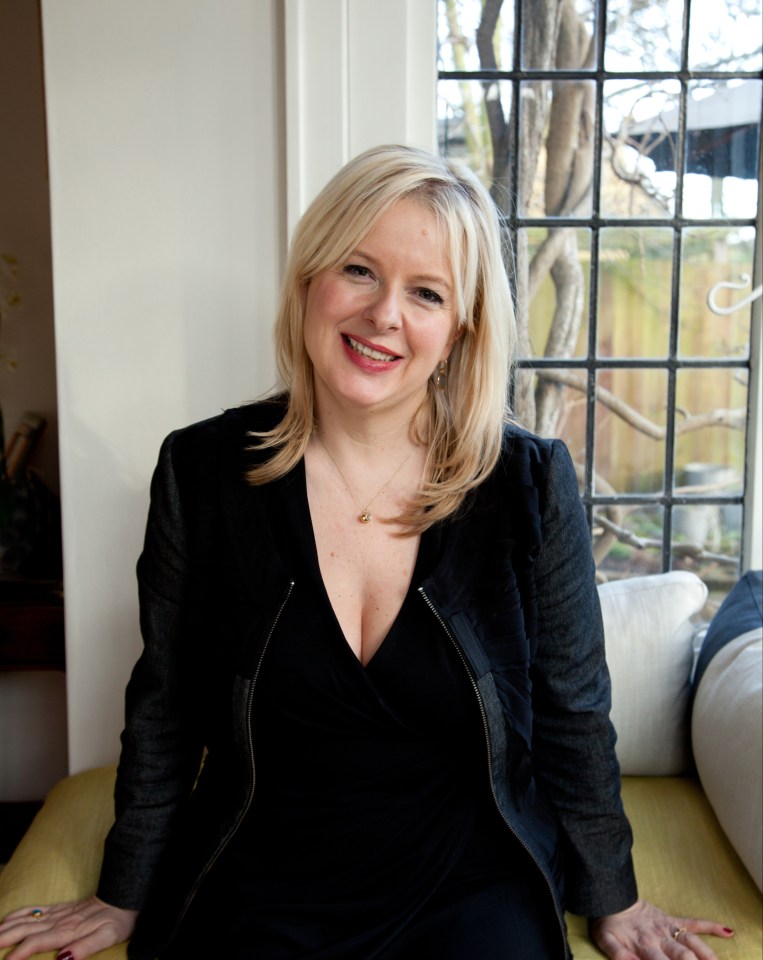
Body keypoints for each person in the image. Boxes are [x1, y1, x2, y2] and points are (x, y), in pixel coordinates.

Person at [0, 145, 734, 960]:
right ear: (311, 280)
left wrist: (613, 897)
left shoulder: (527, 482)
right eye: (358, 270)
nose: (385, 313)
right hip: (258, 874)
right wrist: (122, 892)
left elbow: (573, 711)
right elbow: (167, 704)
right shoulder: (200, 472)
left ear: (459, 330)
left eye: (426, 293)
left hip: (468, 878)